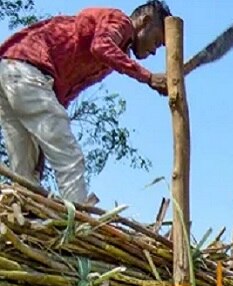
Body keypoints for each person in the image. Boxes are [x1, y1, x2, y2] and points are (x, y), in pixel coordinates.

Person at [0, 3, 169, 205]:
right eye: (157, 41)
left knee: (26, 169)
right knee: (70, 157)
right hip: (27, 69)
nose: (154, 52)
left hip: (11, 70)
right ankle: (77, 219)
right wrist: (148, 77)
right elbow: (101, 46)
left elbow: (65, 94)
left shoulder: (114, 56)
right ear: (145, 21)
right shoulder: (120, 23)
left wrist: (45, 147)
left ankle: (25, 218)